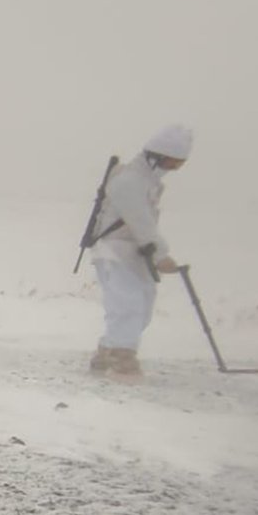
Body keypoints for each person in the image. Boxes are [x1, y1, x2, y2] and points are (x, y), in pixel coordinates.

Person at [88, 124, 193, 378]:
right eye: (172, 163)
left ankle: (107, 351)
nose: (173, 169)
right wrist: (160, 254)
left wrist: (155, 253)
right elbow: (140, 221)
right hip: (114, 250)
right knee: (128, 304)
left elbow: (143, 225)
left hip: (134, 253)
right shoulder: (129, 182)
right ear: (156, 156)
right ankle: (121, 357)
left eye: (179, 164)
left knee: (143, 305)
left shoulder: (146, 182)